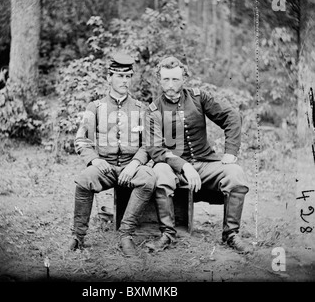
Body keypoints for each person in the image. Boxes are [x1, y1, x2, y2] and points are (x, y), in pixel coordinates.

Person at [145, 56, 251, 253]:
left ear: (184, 78)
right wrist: (184, 166)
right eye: (166, 79)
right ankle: (167, 234)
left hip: (205, 164)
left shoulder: (199, 97)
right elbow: (156, 150)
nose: (170, 84)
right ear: (159, 79)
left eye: (175, 79)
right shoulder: (153, 110)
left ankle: (231, 234)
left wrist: (230, 152)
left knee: (235, 173)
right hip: (174, 168)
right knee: (160, 171)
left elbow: (232, 116)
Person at [68, 52, 156, 257]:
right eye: (119, 76)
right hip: (104, 167)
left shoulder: (140, 108)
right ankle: (78, 236)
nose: (124, 81)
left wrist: (135, 163)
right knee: (83, 180)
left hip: (130, 167)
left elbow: (149, 145)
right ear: (109, 78)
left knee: (149, 178)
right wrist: (95, 159)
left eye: (127, 77)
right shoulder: (96, 107)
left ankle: (126, 235)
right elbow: (82, 139)